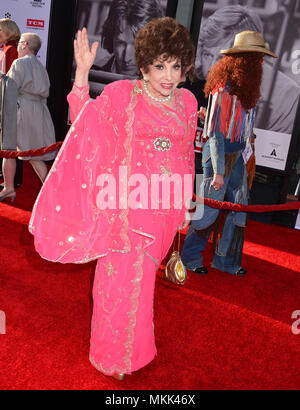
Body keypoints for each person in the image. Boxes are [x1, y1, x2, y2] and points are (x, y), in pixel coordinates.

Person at [29, 18, 197, 379]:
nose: (169, 75)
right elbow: (85, 124)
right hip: (127, 206)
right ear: (144, 65)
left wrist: (185, 203)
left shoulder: (187, 101)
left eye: (176, 66)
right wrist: (82, 76)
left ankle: (138, 348)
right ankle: (113, 355)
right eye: (159, 65)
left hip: (164, 209)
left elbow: (186, 156)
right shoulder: (125, 95)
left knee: (144, 282)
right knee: (118, 281)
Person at [181, 31, 277, 276]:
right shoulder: (222, 90)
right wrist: (218, 173)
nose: (262, 63)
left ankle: (225, 261)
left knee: (239, 210)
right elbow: (214, 134)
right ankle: (188, 258)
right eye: (258, 58)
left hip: (236, 158)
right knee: (208, 211)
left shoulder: (247, 90)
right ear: (245, 59)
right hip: (218, 158)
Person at [195, 5, 300, 134]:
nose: (211, 67)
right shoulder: (189, 84)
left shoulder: (284, 98)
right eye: (207, 55)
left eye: (223, 58)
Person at [0, 33, 56, 203]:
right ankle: (51, 189)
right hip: (38, 111)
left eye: (19, 44)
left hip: (20, 111)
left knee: (10, 150)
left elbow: (10, 88)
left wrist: (2, 77)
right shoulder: (40, 67)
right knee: (33, 154)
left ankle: (9, 188)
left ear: (24, 45)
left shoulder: (19, 63)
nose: (17, 47)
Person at [92, 0, 164, 75]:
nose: (127, 58)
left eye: (137, 45)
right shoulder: (93, 74)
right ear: (111, 39)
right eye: (120, 43)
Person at [0, 18, 23, 187]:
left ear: (7, 31)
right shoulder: (8, 48)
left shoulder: (10, 50)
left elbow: (9, 78)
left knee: (10, 141)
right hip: (6, 98)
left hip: (8, 99)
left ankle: (12, 180)